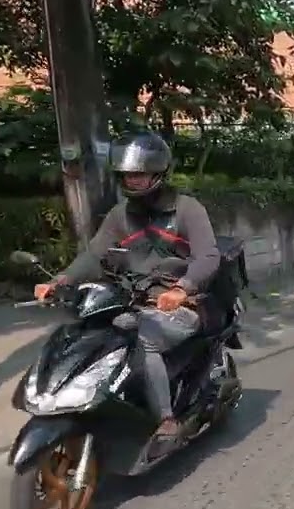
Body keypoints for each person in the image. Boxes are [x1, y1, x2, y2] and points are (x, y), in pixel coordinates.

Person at [35, 132, 221, 445]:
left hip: (182, 305)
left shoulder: (187, 209)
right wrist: (59, 281)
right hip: (132, 301)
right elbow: (94, 255)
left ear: (159, 172)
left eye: (138, 174)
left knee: (142, 340)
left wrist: (182, 288)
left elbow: (209, 256)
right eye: (126, 175)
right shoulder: (120, 215)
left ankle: (166, 418)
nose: (131, 181)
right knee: (92, 332)